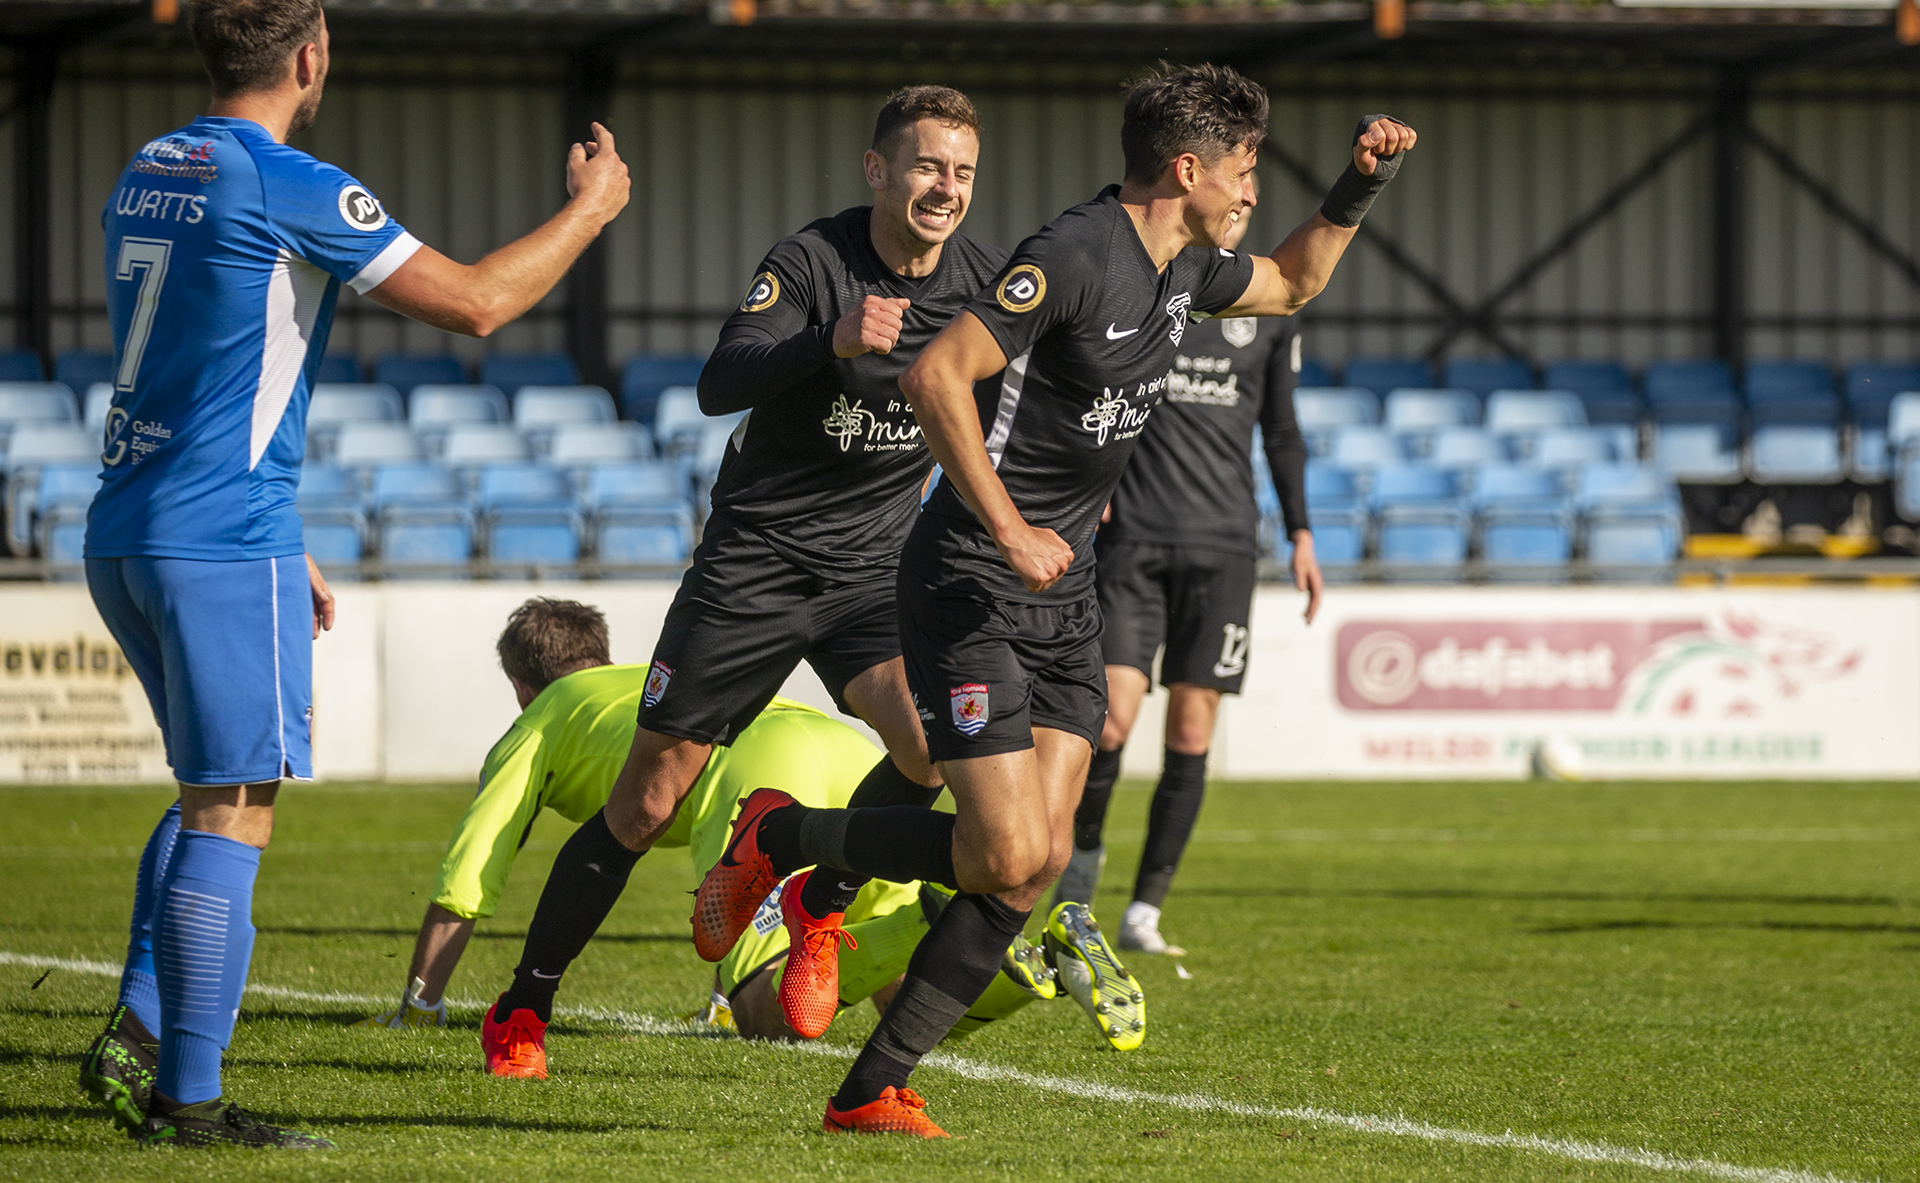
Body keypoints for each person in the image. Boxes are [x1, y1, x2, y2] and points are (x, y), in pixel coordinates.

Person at [695, 63, 1415, 1137]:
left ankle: (867, 1091)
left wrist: (1359, 187)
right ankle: (787, 835)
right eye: (1246, 168)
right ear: (1188, 168)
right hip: (971, 585)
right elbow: (940, 375)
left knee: (1032, 870)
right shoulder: (1077, 254)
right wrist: (1007, 525)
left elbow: (1296, 282)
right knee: (1001, 854)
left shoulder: (1188, 267)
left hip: (1068, 595)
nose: (1254, 189)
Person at [75, 0, 628, 1149]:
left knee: (203, 791)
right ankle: (190, 1098)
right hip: (222, 535)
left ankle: (137, 1030)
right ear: (311, 55)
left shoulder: (150, 166)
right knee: (235, 806)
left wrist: (290, 539)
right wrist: (589, 210)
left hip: (130, 525)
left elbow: (198, 356)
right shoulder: (293, 183)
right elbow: (479, 303)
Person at [483, 87, 1010, 1070]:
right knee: (645, 804)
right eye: (931, 166)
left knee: (931, 742)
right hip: (755, 566)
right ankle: (522, 1009)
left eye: (965, 172)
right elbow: (718, 382)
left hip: (871, 577)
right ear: (879, 170)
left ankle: (813, 891)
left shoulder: (982, 281)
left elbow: (1012, 406)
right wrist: (833, 340)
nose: (948, 188)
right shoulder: (813, 262)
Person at [354, 599, 1062, 1061]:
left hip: (762, 775)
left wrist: (421, 1002)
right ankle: (1038, 968)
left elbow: (471, 866)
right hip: (847, 747)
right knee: (895, 987)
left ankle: (901, 929)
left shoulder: (543, 714)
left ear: (520, 684)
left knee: (759, 1007)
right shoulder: (656, 680)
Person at [1057, 184, 1324, 957]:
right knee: (1108, 722)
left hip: (1224, 546)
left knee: (1193, 726)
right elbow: (1083, 393)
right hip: (1134, 541)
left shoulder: (1266, 313)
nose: (1238, 207)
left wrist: (1302, 532)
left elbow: (1283, 431)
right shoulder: (1148, 292)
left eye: (1248, 200)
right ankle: (1079, 876)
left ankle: (1145, 909)